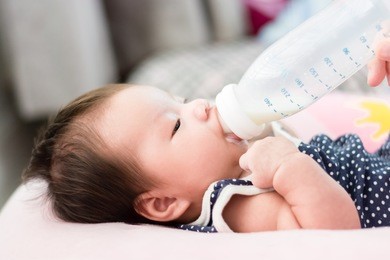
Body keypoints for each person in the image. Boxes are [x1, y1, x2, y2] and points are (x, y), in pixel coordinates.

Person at [23, 38, 390, 233]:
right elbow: (333, 233)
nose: (198, 105)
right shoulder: (234, 206)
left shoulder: (238, 167)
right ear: (163, 203)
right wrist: (288, 167)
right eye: (177, 124)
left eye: (181, 101)